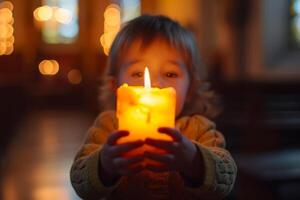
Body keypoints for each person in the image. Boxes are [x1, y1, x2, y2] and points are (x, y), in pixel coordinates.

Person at [70, 15, 237, 200]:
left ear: (190, 89)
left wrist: (193, 160)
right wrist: (104, 165)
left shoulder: (199, 129)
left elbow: (225, 181)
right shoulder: (108, 129)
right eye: (137, 73)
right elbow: (81, 182)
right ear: (115, 87)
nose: (155, 85)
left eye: (170, 73)